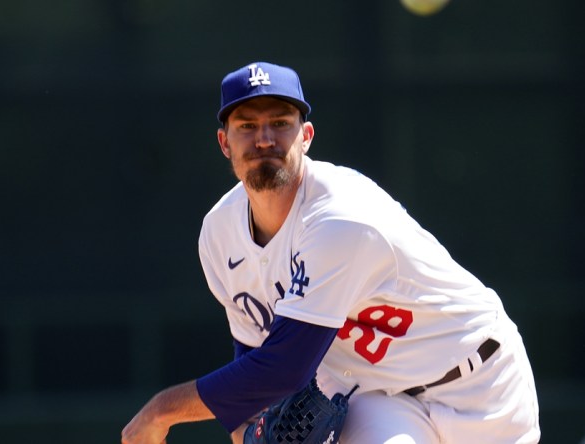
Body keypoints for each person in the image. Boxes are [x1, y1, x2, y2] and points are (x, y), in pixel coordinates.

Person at [121, 61, 541, 443]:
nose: (264, 138)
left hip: (481, 388)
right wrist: (246, 427)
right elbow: (253, 360)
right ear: (224, 142)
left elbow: (285, 368)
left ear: (306, 136)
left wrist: (162, 412)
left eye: (280, 123)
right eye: (246, 126)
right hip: (381, 399)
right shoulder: (219, 234)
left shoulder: (340, 216)